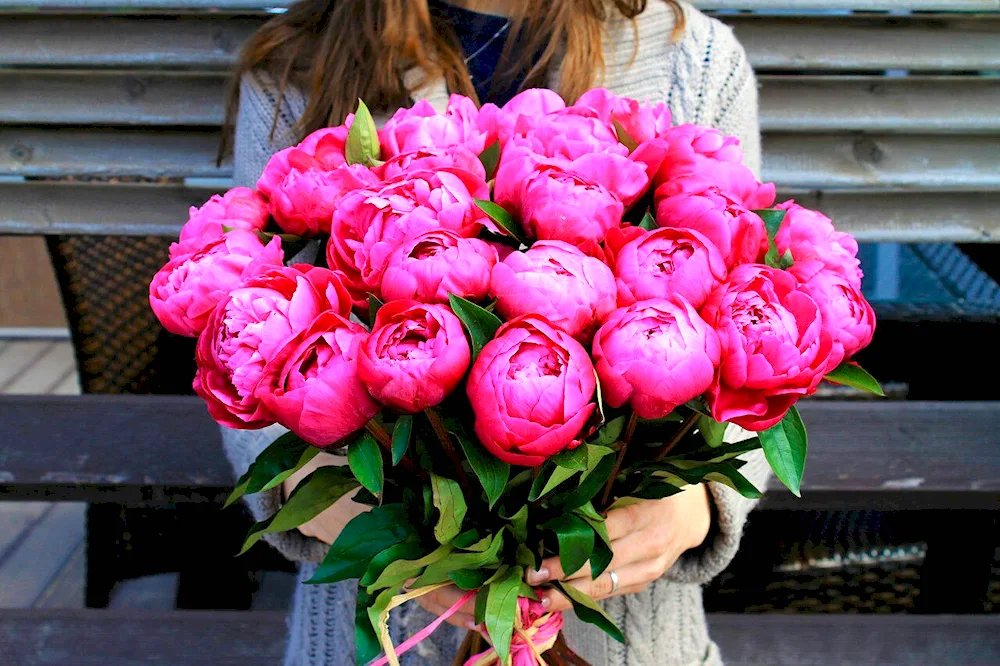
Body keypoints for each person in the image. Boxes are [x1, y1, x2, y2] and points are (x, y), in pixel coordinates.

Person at [221, 1, 771, 664]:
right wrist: (308, 486)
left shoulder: (697, 61)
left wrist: (696, 503)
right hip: (381, 635)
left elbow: (752, 318)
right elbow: (243, 326)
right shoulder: (296, 65)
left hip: (630, 637)